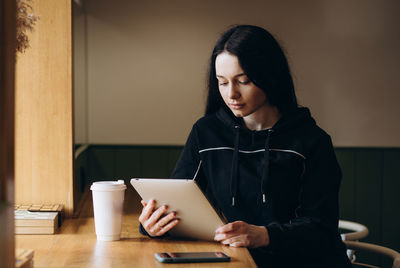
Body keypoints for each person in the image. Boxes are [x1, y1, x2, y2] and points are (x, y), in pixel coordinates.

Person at [138, 25, 352, 267]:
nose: (231, 94)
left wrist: (264, 235)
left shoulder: (311, 141)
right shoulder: (206, 133)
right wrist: (152, 225)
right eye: (222, 82)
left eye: (244, 81)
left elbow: (321, 229)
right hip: (238, 261)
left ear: (270, 77)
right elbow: (177, 202)